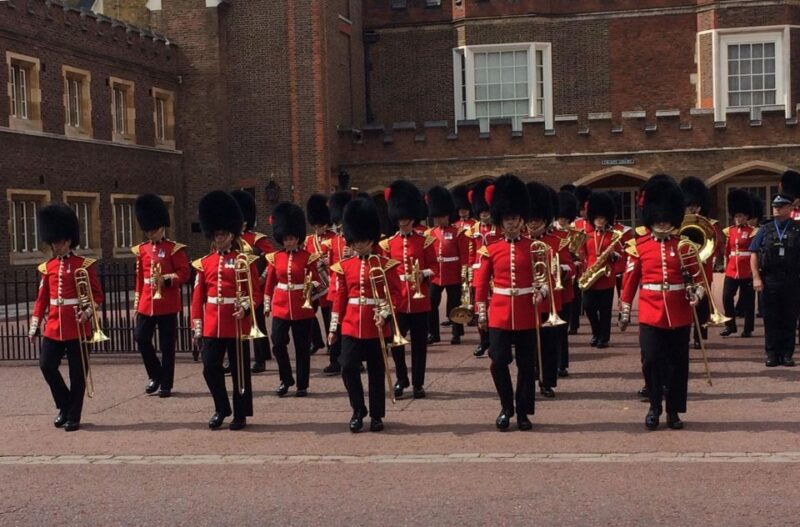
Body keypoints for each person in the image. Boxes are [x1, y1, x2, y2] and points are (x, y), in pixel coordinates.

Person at [620, 177, 701, 430]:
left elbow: (697, 279)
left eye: (666, 218)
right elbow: (630, 280)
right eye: (658, 218)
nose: (663, 222)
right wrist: (624, 309)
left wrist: (696, 294)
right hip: (650, 312)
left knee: (678, 365)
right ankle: (654, 406)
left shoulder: (684, 246)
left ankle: (673, 411)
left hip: (678, 312)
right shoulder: (639, 247)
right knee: (651, 360)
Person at [475, 174, 543, 431]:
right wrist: (481, 311)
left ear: (521, 219)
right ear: (500, 221)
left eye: (514, 218)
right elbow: (481, 283)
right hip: (501, 313)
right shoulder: (490, 249)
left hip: (526, 311)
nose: (511, 223)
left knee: (527, 366)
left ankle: (523, 411)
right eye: (507, 219)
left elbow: (544, 277)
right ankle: (506, 406)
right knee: (498, 360)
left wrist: (542, 292)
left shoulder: (535, 247)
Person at [328, 198, 402, 432]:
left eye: (364, 241)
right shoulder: (344, 266)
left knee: (376, 372)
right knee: (348, 366)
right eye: (356, 241)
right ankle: (358, 410)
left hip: (376, 325)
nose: (360, 245)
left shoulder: (386, 264)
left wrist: (385, 314)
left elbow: (396, 295)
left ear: (372, 239)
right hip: (351, 323)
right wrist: (333, 328)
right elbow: (339, 299)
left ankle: (377, 415)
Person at [29, 204, 104, 432]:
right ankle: (64, 405)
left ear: (68, 241)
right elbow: (42, 298)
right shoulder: (48, 267)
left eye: (58, 242)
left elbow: (97, 295)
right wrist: (34, 324)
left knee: (77, 374)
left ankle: (74, 415)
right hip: (54, 325)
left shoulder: (83, 265)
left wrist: (88, 312)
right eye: (53, 242)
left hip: (77, 326)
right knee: (46, 366)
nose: (54, 246)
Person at [191, 191, 262, 430]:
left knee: (240, 371)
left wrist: (245, 308)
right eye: (216, 234)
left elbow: (255, 293)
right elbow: (197, 297)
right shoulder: (204, 263)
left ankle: (240, 413)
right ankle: (221, 407)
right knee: (210, 367)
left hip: (236, 322)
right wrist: (197, 327)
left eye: (223, 234)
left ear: (231, 234)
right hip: (212, 323)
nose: (220, 238)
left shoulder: (244, 260)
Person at [381, 180, 436, 399]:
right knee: (396, 342)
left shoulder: (425, 241)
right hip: (399, 300)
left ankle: (418, 383)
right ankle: (401, 378)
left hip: (420, 300)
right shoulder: (388, 244)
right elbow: (385, 271)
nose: (403, 223)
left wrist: (423, 274)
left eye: (406, 219)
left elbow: (434, 267)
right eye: (400, 219)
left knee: (420, 346)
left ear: (412, 219)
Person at [132, 193, 190, 398]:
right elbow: (139, 278)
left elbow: (184, 273)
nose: (150, 234)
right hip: (147, 302)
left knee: (167, 346)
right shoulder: (142, 250)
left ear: (162, 227)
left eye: (153, 230)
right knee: (141, 338)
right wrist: (137, 302)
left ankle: (166, 383)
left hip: (167, 302)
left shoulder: (173, 249)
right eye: (147, 230)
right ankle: (155, 374)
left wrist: (166, 279)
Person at [264, 202, 323, 397]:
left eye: (292, 238)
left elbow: (317, 281)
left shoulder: (308, 258)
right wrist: (266, 304)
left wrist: (312, 287)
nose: (289, 242)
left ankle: (302, 384)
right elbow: (270, 283)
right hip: (281, 307)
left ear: (298, 238)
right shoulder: (275, 258)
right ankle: (285, 378)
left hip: (301, 307)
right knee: (278, 343)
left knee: (302, 348)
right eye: (286, 239)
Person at [526, 182, 574, 397]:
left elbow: (570, 268)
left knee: (548, 344)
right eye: (530, 219)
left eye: (537, 220)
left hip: (550, 299)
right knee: (528, 345)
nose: (533, 223)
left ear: (545, 220)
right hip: (526, 300)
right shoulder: (520, 242)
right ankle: (531, 375)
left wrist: (563, 269)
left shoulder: (558, 241)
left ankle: (547, 381)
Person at [750, 192, 800, 367]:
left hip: (792, 279)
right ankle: (772, 353)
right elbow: (754, 253)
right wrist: (756, 277)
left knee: (789, 318)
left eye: (781, 206)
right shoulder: (765, 229)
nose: (777, 209)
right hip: (769, 279)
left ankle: (787, 354)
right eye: (775, 206)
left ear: (789, 208)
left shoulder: (797, 228)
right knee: (770, 318)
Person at [231, 190, 274, 373]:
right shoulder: (231, 239)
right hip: (236, 286)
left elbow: (273, 259)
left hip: (254, 284)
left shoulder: (256, 239)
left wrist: (263, 277)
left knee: (257, 322)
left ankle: (260, 358)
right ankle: (238, 357)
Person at [680, 176, 723, 349]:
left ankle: (699, 335)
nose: (692, 208)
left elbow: (717, 243)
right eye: (689, 205)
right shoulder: (679, 222)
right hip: (683, 266)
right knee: (683, 302)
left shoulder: (710, 224)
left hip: (702, 267)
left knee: (701, 303)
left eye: (695, 205)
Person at [426, 186, 469, 345]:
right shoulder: (430, 233)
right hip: (436, 274)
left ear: (447, 215)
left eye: (442, 217)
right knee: (431, 303)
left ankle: (456, 333)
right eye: (437, 217)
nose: (439, 220)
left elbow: (464, 254)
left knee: (454, 304)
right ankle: (433, 333)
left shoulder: (458, 232)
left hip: (453, 273)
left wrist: (465, 272)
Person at [579, 192, 619, 349]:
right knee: (588, 306)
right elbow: (582, 254)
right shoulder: (587, 235)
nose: (600, 221)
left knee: (605, 310)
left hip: (606, 276)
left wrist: (614, 255)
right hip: (590, 275)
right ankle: (596, 332)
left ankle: (604, 337)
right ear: (593, 219)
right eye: (597, 218)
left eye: (602, 218)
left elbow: (619, 255)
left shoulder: (613, 235)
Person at [320, 191, 353, 375]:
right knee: (334, 323)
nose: (340, 228)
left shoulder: (353, 240)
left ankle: (353, 356)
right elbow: (330, 263)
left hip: (351, 287)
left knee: (349, 323)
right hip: (336, 287)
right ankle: (335, 359)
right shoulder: (333, 241)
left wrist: (353, 254)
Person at [468, 179, 500, 357]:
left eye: (486, 212)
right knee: (479, 307)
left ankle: (496, 338)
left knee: (495, 306)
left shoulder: (498, 228)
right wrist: (471, 270)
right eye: (481, 212)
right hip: (480, 271)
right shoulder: (473, 229)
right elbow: (471, 252)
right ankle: (483, 340)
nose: (484, 215)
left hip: (496, 271)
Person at [720, 189, 756, 338]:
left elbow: (755, 252)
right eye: (736, 216)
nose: (737, 219)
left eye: (740, 216)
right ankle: (730, 325)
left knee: (748, 302)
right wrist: (725, 265)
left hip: (747, 270)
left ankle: (748, 328)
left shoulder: (753, 231)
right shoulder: (730, 231)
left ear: (746, 216)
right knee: (726, 297)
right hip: (732, 269)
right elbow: (727, 251)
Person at [304, 194, 336, 357]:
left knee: (328, 315)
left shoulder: (333, 238)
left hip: (328, 282)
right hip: (314, 282)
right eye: (316, 225)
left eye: (321, 224)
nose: (318, 227)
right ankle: (315, 341)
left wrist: (325, 261)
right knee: (308, 312)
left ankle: (332, 344)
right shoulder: (308, 240)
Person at [554, 190, 580, 376]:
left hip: (564, 288)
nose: (562, 220)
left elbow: (577, 259)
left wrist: (571, 267)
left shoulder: (573, 234)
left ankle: (561, 364)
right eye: (560, 217)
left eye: (565, 218)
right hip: (544, 292)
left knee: (561, 330)